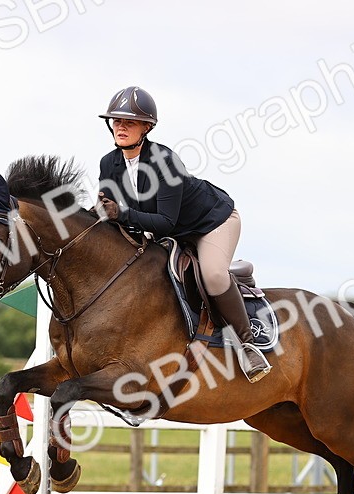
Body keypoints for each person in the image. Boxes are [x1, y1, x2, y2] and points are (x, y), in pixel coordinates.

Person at [94, 85, 272, 383]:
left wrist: (121, 214)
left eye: (130, 122)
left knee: (213, 275)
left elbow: (164, 221)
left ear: (147, 127)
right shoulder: (108, 163)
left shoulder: (165, 161)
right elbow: (108, 212)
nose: (121, 127)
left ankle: (248, 345)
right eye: (116, 121)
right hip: (167, 229)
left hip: (211, 222)